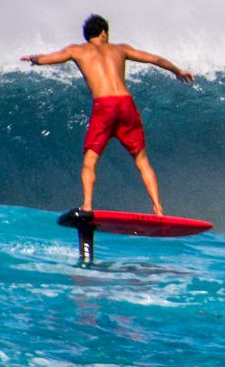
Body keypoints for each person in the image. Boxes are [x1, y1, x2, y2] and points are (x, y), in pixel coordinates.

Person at [22, 14, 194, 216]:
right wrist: (177, 70)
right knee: (142, 161)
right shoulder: (120, 49)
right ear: (104, 32)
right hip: (126, 104)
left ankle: (87, 205)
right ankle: (158, 208)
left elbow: (46, 59)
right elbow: (154, 59)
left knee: (89, 161)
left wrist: (33, 58)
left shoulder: (76, 50)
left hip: (104, 107)